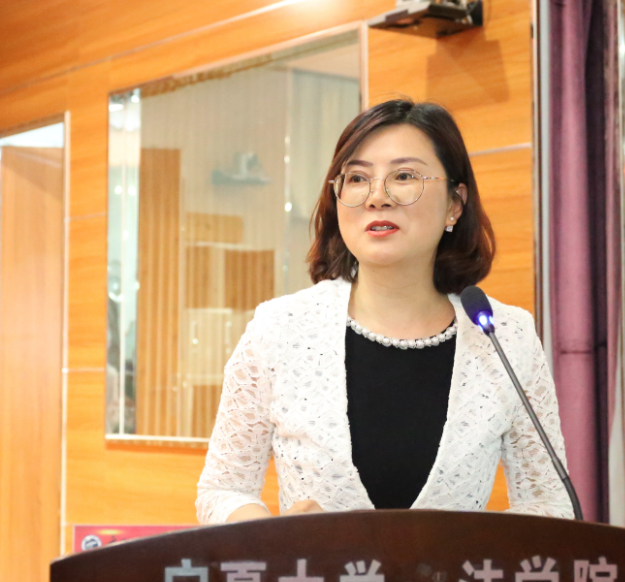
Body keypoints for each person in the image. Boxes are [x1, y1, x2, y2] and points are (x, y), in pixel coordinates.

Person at [196, 99, 574, 524]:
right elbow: (223, 489)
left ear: (455, 203)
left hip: (459, 572)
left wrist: (469, 547)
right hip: (312, 571)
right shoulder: (281, 329)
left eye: (405, 176)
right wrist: (275, 537)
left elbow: (551, 502)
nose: (377, 197)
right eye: (357, 178)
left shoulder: (506, 337)